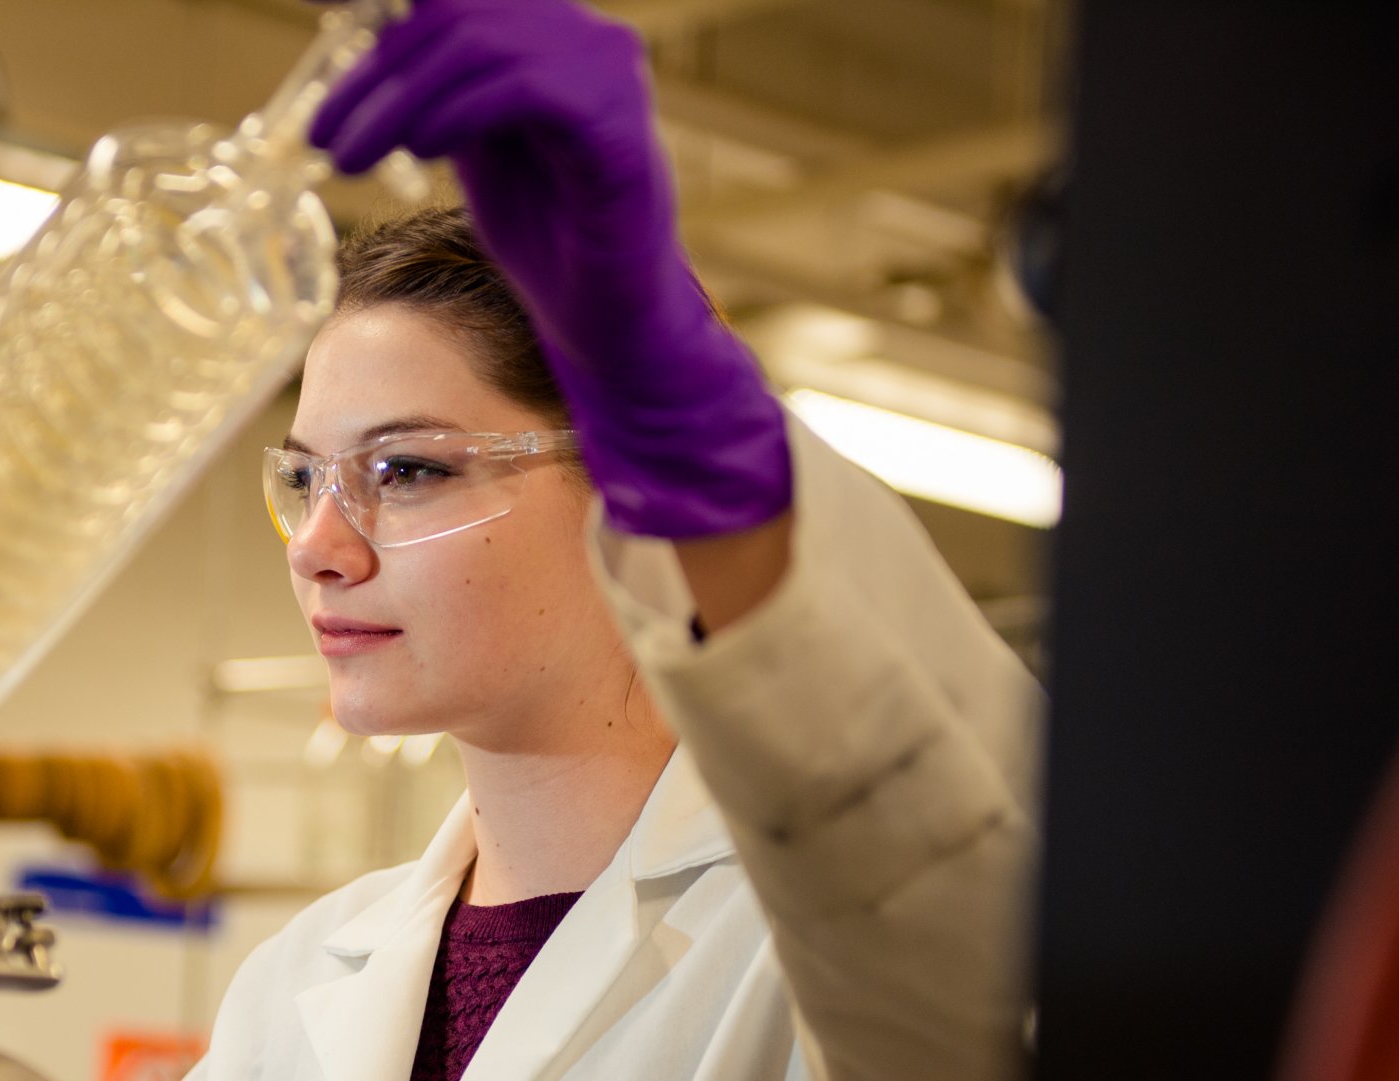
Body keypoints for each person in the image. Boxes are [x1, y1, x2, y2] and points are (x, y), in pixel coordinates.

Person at [191, 2, 1042, 1079]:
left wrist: (696, 409)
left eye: (406, 470)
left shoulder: (821, 940)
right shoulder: (292, 982)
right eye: (305, 476)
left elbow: (988, 965)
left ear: (627, 488)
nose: (318, 545)